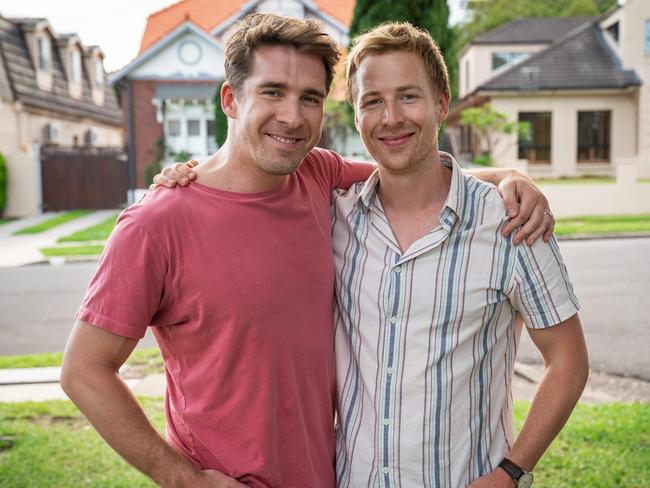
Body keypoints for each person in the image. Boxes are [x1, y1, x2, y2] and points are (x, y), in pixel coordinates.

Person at [62, 14, 554, 488]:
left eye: (310, 98)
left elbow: (414, 172)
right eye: (272, 92)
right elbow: (83, 372)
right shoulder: (155, 223)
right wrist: (184, 480)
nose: (293, 117)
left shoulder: (317, 174)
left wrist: (511, 178)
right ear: (231, 99)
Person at [330, 23, 588, 487]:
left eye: (409, 96)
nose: (390, 117)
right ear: (355, 114)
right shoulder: (335, 218)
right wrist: (182, 177)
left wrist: (512, 472)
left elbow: (567, 361)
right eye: (372, 101)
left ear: (442, 104)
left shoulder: (510, 221)